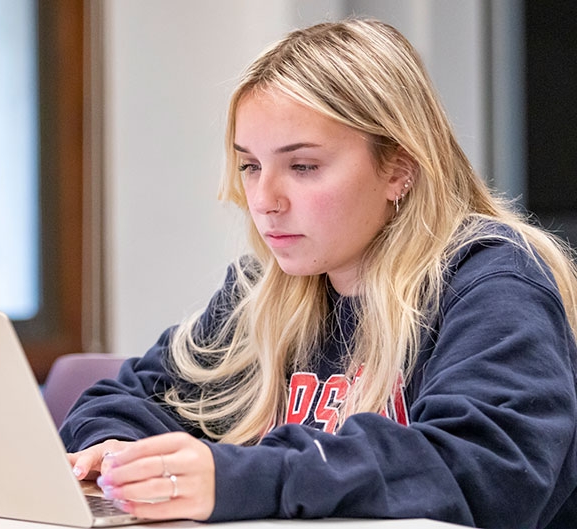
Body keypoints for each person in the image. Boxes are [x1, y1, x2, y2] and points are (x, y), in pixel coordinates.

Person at [59, 18, 577, 529]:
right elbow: (127, 400)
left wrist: (245, 478)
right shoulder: (260, 292)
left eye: (302, 166)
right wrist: (115, 450)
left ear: (398, 168)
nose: (263, 201)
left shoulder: (494, 281)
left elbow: (485, 470)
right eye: (250, 166)